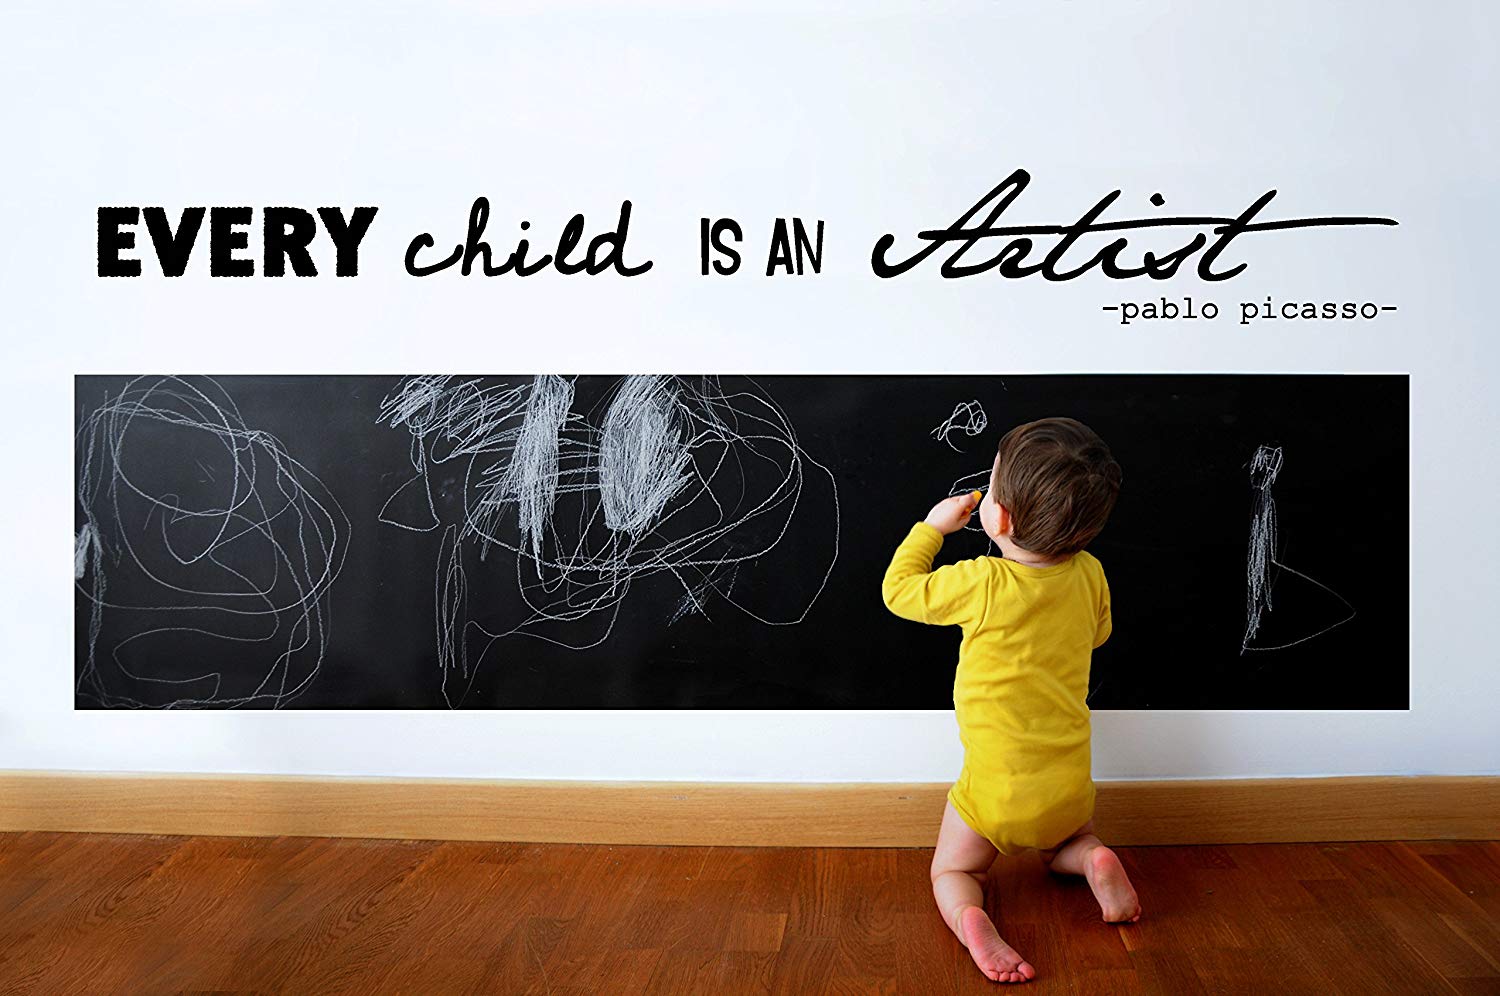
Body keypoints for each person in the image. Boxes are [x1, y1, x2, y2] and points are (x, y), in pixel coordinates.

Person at [882, 416, 1138, 984]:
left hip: (993, 789)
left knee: (952, 870)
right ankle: (1091, 861)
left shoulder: (982, 583)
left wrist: (931, 529)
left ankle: (971, 917)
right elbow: (1098, 635)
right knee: (1067, 844)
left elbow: (898, 593)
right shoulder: (1090, 573)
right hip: (1068, 781)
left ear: (996, 517)